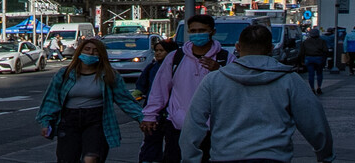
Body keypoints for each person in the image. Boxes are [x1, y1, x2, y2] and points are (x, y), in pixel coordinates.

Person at [181, 22, 335, 163]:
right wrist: (324, 155)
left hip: (226, 157)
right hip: (274, 158)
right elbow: (313, 120)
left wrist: (190, 158)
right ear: (271, 48)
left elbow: (193, 122)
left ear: (238, 47)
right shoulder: (289, 80)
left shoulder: (214, 80)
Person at [37, 33, 146, 163]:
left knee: (91, 158)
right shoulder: (64, 74)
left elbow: (125, 100)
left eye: (95, 51)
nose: (90, 53)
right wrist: (46, 121)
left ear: (101, 55)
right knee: (67, 158)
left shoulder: (109, 75)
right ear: (80, 52)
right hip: (69, 120)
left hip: (96, 120)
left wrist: (142, 117)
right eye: (87, 49)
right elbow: (51, 99)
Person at [140, 12, 228, 163]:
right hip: (178, 126)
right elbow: (159, 90)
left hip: (214, 129)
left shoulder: (226, 59)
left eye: (202, 31)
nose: (197, 34)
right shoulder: (175, 57)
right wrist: (150, 115)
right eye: (193, 31)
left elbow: (233, 92)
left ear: (212, 32)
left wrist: (220, 71)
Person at [139, 36, 174, 103]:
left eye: (161, 50)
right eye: (156, 50)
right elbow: (141, 85)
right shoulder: (151, 67)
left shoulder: (174, 67)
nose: (158, 53)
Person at [298, 27, 330, 95]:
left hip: (309, 58)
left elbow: (302, 52)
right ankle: (319, 87)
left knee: (311, 74)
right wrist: (324, 59)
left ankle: (312, 88)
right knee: (319, 73)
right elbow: (325, 51)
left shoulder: (305, 42)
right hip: (319, 58)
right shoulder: (322, 41)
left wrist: (302, 61)